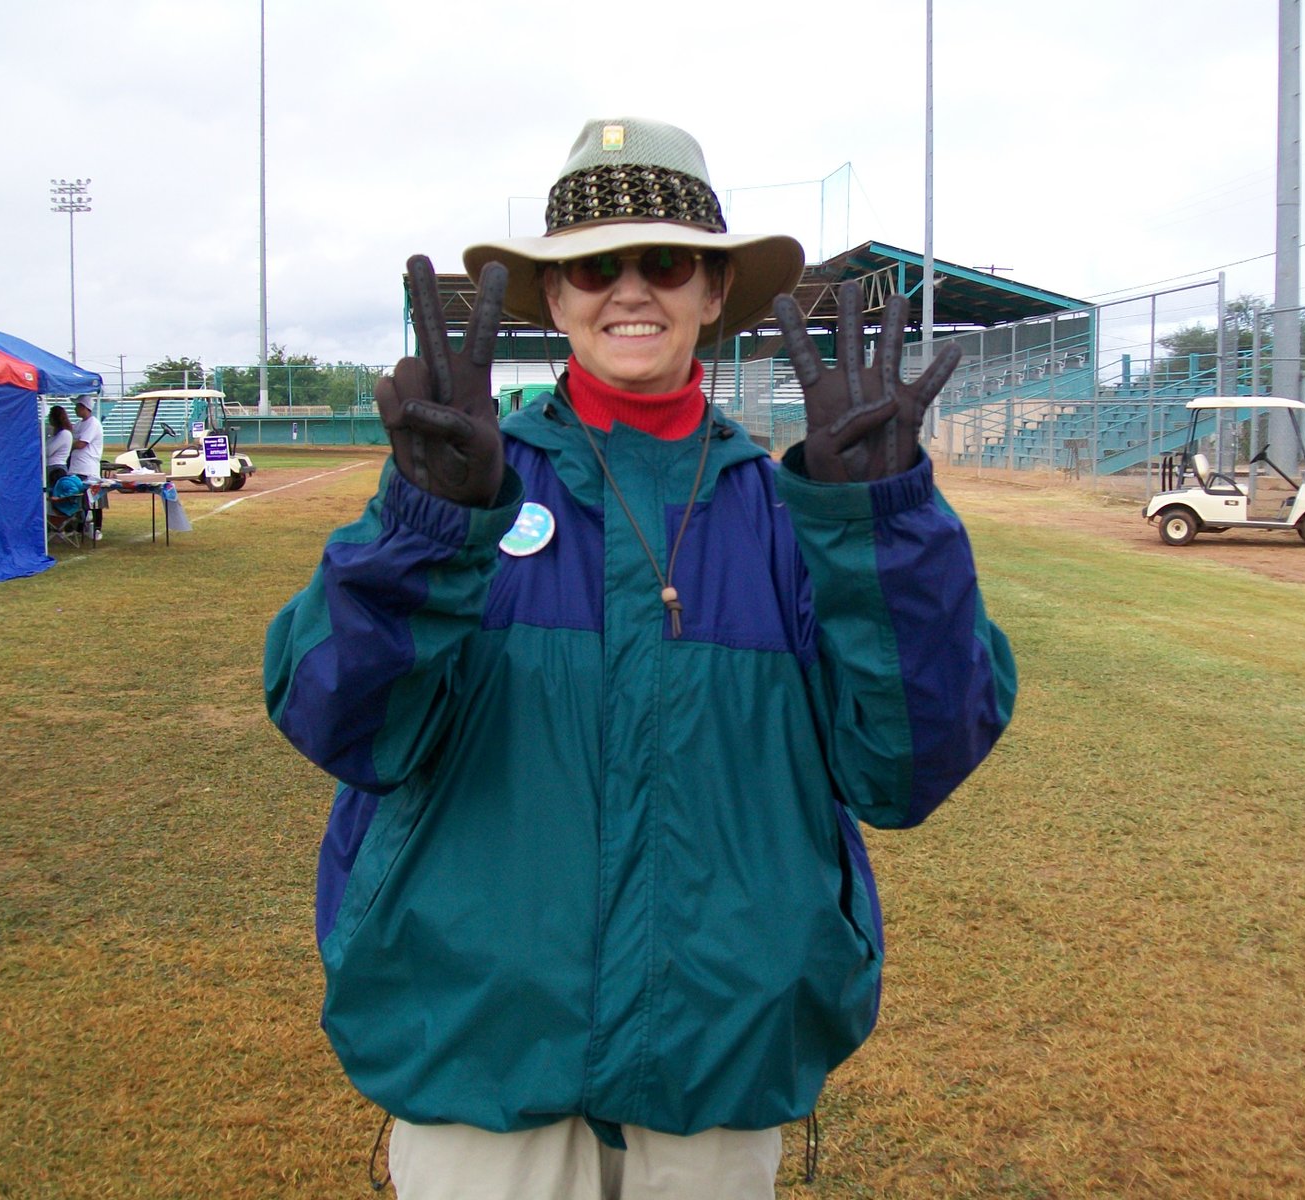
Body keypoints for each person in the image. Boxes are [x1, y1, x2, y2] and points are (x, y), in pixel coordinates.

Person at [264, 117, 1016, 1200]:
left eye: (663, 261)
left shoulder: (798, 518)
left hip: (714, 1059)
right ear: (554, 297)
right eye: (590, 265)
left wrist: (882, 525)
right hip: (484, 1052)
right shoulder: (467, 490)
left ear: (713, 291)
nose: (628, 290)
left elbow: (907, 767)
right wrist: (425, 528)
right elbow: (343, 724)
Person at [67, 396, 105, 538]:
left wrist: (65, 446)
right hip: (76, 466)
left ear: (85, 407)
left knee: (92, 498)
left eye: (78, 406)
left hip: (87, 467)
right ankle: (79, 526)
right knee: (79, 499)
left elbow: (82, 443)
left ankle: (96, 527)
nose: (75, 409)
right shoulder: (79, 424)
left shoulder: (93, 424)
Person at [44, 405, 74, 488]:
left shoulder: (64, 434)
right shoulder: (56, 435)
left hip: (57, 468)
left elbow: (48, 451)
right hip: (51, 467)